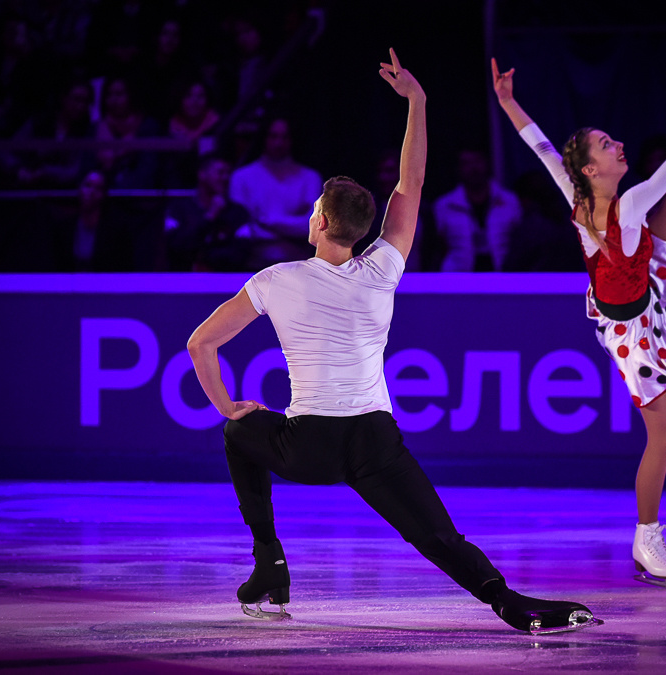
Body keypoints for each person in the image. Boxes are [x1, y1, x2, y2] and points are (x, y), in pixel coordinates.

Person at [187, 49, 600, 635]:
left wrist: (229, 406)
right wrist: (418, 101)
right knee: (437, 535)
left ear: (322, 224)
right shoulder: (384, 266)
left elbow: (201, 344)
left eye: (313, 210)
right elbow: (413, 181)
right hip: (375, 439)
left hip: (309, 445)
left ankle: (269, 566)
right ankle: (508, 602)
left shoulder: (275, 280)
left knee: (237, 433)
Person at [492, 55, 666, 587]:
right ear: (589, 169)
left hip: (643, 282)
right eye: (607, 146)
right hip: (634, 334)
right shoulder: (627, 205)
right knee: (665, 436)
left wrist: (509, 102)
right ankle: (645, 535)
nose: (619, 146)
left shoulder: (578, 189)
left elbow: (540, 147)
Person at [228, 116, 322, 268]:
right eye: (273, 136)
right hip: (252, 263)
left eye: (284, 137)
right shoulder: (241, 177)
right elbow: (242, 228)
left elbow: (312, 227)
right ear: (264, 138)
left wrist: (268, 221)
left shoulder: (310, 178)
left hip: (298, 262)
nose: (278, 143)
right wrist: (291, 226)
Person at [433, 146, 521, 271]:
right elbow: (439, 245)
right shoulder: (444, 205)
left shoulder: (509, 200)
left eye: (477, 161)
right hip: (458, 277)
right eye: (467, 163)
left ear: (487, 163)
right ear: (458, 169)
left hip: (503, 274)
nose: (474, 168)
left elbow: (518, 240)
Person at [164, 154, 251, 271]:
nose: (225, 178)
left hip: (224, 281)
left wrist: (203, 257)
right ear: (202, 174)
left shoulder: (238, 212)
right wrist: (209, 217)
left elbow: (240, 253)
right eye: (220, 173)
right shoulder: (179, 209)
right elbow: (175, 247)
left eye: (228, 173)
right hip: (182, 279)